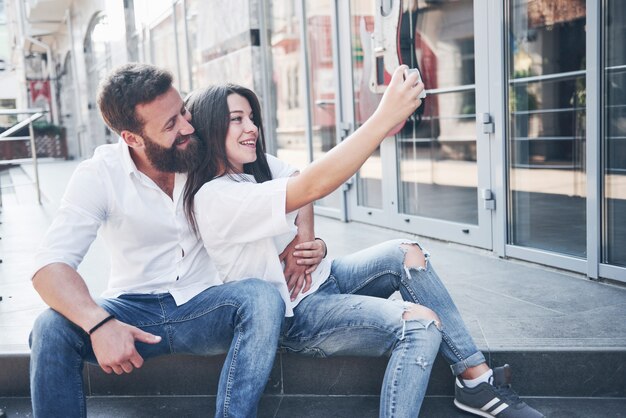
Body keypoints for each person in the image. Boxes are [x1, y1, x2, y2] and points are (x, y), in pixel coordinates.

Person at [183, 73, 545, 418]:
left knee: (407, 253)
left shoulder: (251, 166)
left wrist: (305, 241)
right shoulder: (217, 196)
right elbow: (312, 185)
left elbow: (296, 177)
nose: (251, 128)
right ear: (210, 128)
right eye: (236, 119)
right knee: (421, 326)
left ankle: (475, 381)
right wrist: (383, 118)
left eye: (251, 117)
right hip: (298, 317)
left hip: (324, 281)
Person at [27, 63, 327, 418]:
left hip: (206, 305)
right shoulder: (99, 174)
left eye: (183, 110)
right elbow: (49, 266)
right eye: (170, 124)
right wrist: (99, 323)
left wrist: (303, 239)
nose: (187, 126)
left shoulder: (201, 149)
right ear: (131, 138)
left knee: (261, 297)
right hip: (133, 311)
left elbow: (296, 178)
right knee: (49, 327)